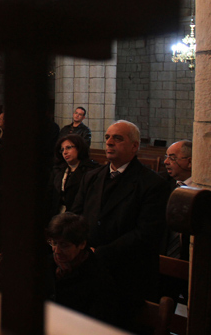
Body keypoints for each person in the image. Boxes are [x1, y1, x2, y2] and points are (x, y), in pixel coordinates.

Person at [71, 120, 168, 314]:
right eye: (107, 137)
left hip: (127, 276)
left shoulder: (152, 183)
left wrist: (98, 252)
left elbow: (145, 233)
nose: (109, 142)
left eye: (117, 138)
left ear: (134, 146)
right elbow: (76, 215)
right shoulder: (92, 176)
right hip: (88, 271)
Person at [45, 212, 122, 326]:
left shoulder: (98, 277)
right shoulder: (47, 265)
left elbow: (96, 324)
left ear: (82, 244)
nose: (57, 250)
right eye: (54, 243)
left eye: (64, 245)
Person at [47, 134, 100, 220]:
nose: (65, 152)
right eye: (62, 149)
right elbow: (50, 195)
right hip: (57, 216)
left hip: (79, 218)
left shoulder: (92, 170)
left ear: (79, 148)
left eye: (69, 148)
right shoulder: (58, 169)